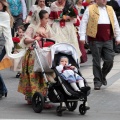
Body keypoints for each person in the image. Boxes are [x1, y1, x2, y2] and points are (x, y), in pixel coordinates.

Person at [18, 10, 56, 108]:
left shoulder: (47, 27)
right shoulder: (32, 27)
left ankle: (42, 96)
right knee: (33, 76)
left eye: (48, 18)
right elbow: (25, 40)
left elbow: (53, 39)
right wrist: (35, 39)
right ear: (40, 18)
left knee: (44, 76)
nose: (47, 20)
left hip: (43, 54)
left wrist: (46, 37)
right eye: (45, 18)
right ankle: (33, 97)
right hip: (33, 55)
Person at [79, 0, 120, 90]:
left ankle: (102, 76)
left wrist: (118, 37)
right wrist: (82, 36)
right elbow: (83, 23)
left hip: (108, 38)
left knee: (110, 59)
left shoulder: (110, 9)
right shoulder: (90, 9)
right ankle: (97, 81)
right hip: (94, 39)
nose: (104, 0)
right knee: (96, 61)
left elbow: (115, 23)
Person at [0, 0, 25, 98]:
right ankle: (3, 89)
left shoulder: (5, 15)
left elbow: (6, 33)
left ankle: (2, 89)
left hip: (2, 43)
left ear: (3, 5)